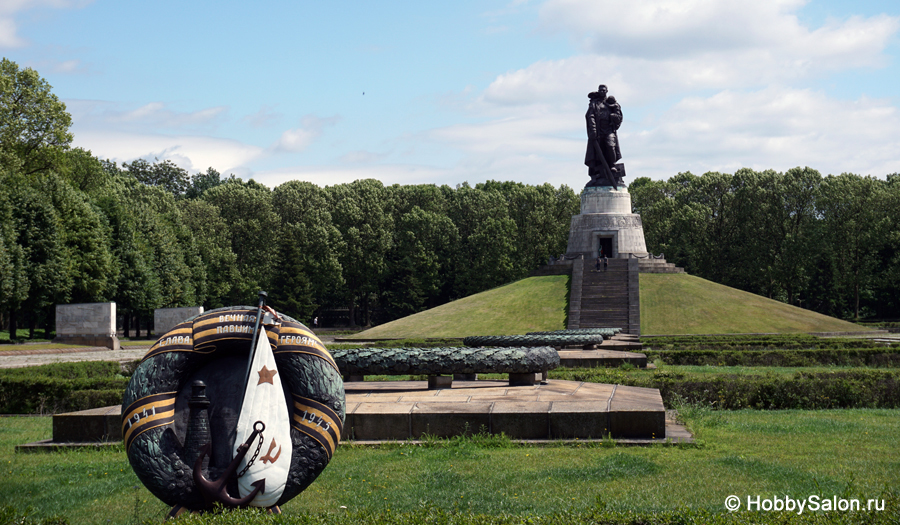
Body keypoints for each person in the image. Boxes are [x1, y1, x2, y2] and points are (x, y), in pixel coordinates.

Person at [584, 85, 624, 189]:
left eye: (604, 90)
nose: (602, 91)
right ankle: (597, 174)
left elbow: (619, 116)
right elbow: (590, 115)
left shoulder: (611, 102)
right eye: (600, 90)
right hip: (598, 132)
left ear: (606, 91)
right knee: (597, 153)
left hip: (608, 130)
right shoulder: (594, 103)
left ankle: (612, 166)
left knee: (610, 146)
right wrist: (593, 129)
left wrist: (614, 117)